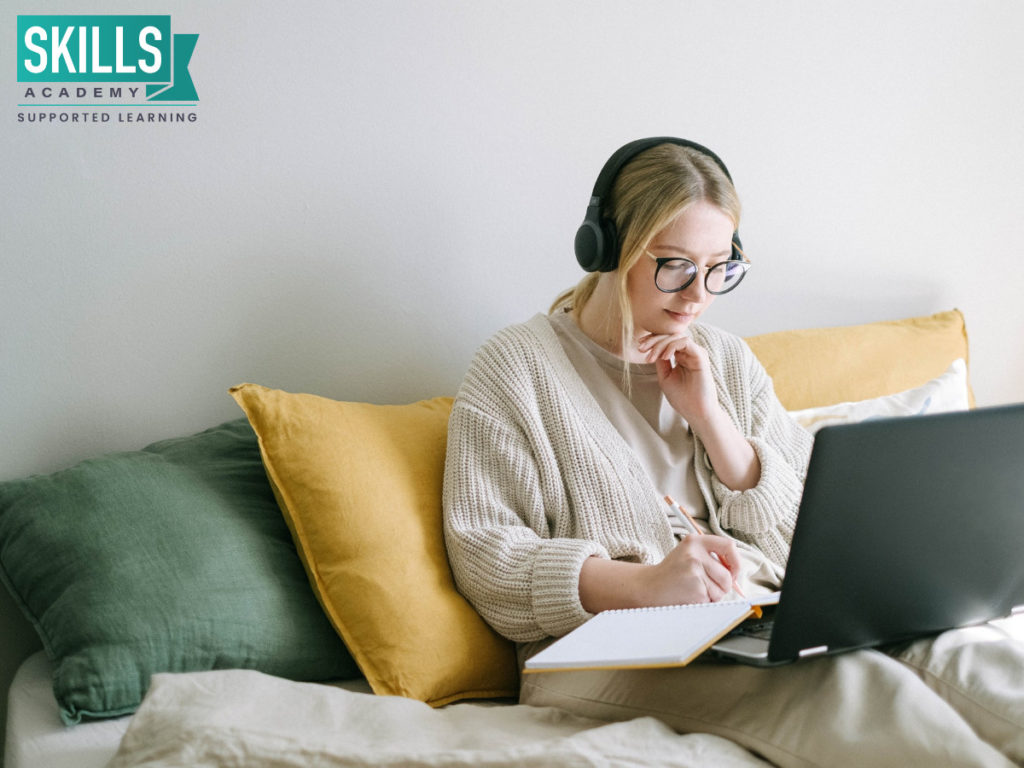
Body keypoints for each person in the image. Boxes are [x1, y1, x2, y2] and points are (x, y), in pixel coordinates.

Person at [442, 137, 1024, 767]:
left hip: (760, 619)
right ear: (607, 250)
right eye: (674, 265)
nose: (697, 295)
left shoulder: (724, 359)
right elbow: (488, 558)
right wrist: (646, 585)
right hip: (600, 652)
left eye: (719, 266)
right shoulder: (514, 370)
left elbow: (812, 526)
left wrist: (712, 421)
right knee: (860, 695)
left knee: (974, 659)